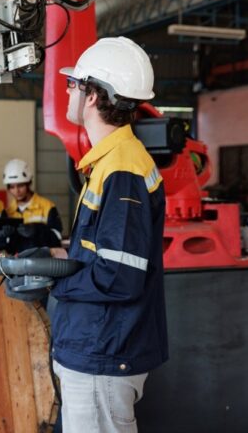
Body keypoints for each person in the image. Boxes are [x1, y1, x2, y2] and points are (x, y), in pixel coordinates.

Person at [50, 36, 168, 433]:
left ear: (92, 96)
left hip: (102, 351)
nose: (68, 89)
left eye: (74, 83)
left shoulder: (122, 170)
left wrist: (55, 279)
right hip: (96, 346)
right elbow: (104, 254)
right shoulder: (111, 164)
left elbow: (119, 275)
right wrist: (60, 255)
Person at [3, 158, 63, 253]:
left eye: (20, 186)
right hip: (18, 264)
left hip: (43, 262)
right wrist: (4, 237)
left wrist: (37, 230)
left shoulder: (47, 206)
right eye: (12, 187)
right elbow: (7, 248)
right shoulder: (8, 211)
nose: (16, 191)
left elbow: (57, 238)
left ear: (29, 183)